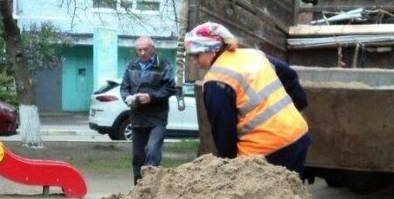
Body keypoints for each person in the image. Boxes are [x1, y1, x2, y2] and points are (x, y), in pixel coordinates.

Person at [184, 21, 311, 177]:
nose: (195, 61)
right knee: (289, 196)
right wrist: (294, 110)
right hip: (298, 135)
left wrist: (229, 168)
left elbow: (224, 132)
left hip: (267, 151)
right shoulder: (253, 54)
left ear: (213, 49)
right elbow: (290, 76)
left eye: (197, 54)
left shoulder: (216, 81)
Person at [119, 35, 176, 185]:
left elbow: (170, 88)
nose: (143, 53)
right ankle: (138, 189)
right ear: (136, 51)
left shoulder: (164, 65)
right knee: (138, 156)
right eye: (139, 50)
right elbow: (124, 88)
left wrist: (151, 97)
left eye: (145, 49)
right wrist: (127, 98)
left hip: (157, 118)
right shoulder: (131, 66)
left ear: (153, 49)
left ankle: (150, 186)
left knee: (152, 151)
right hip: (137, 117)